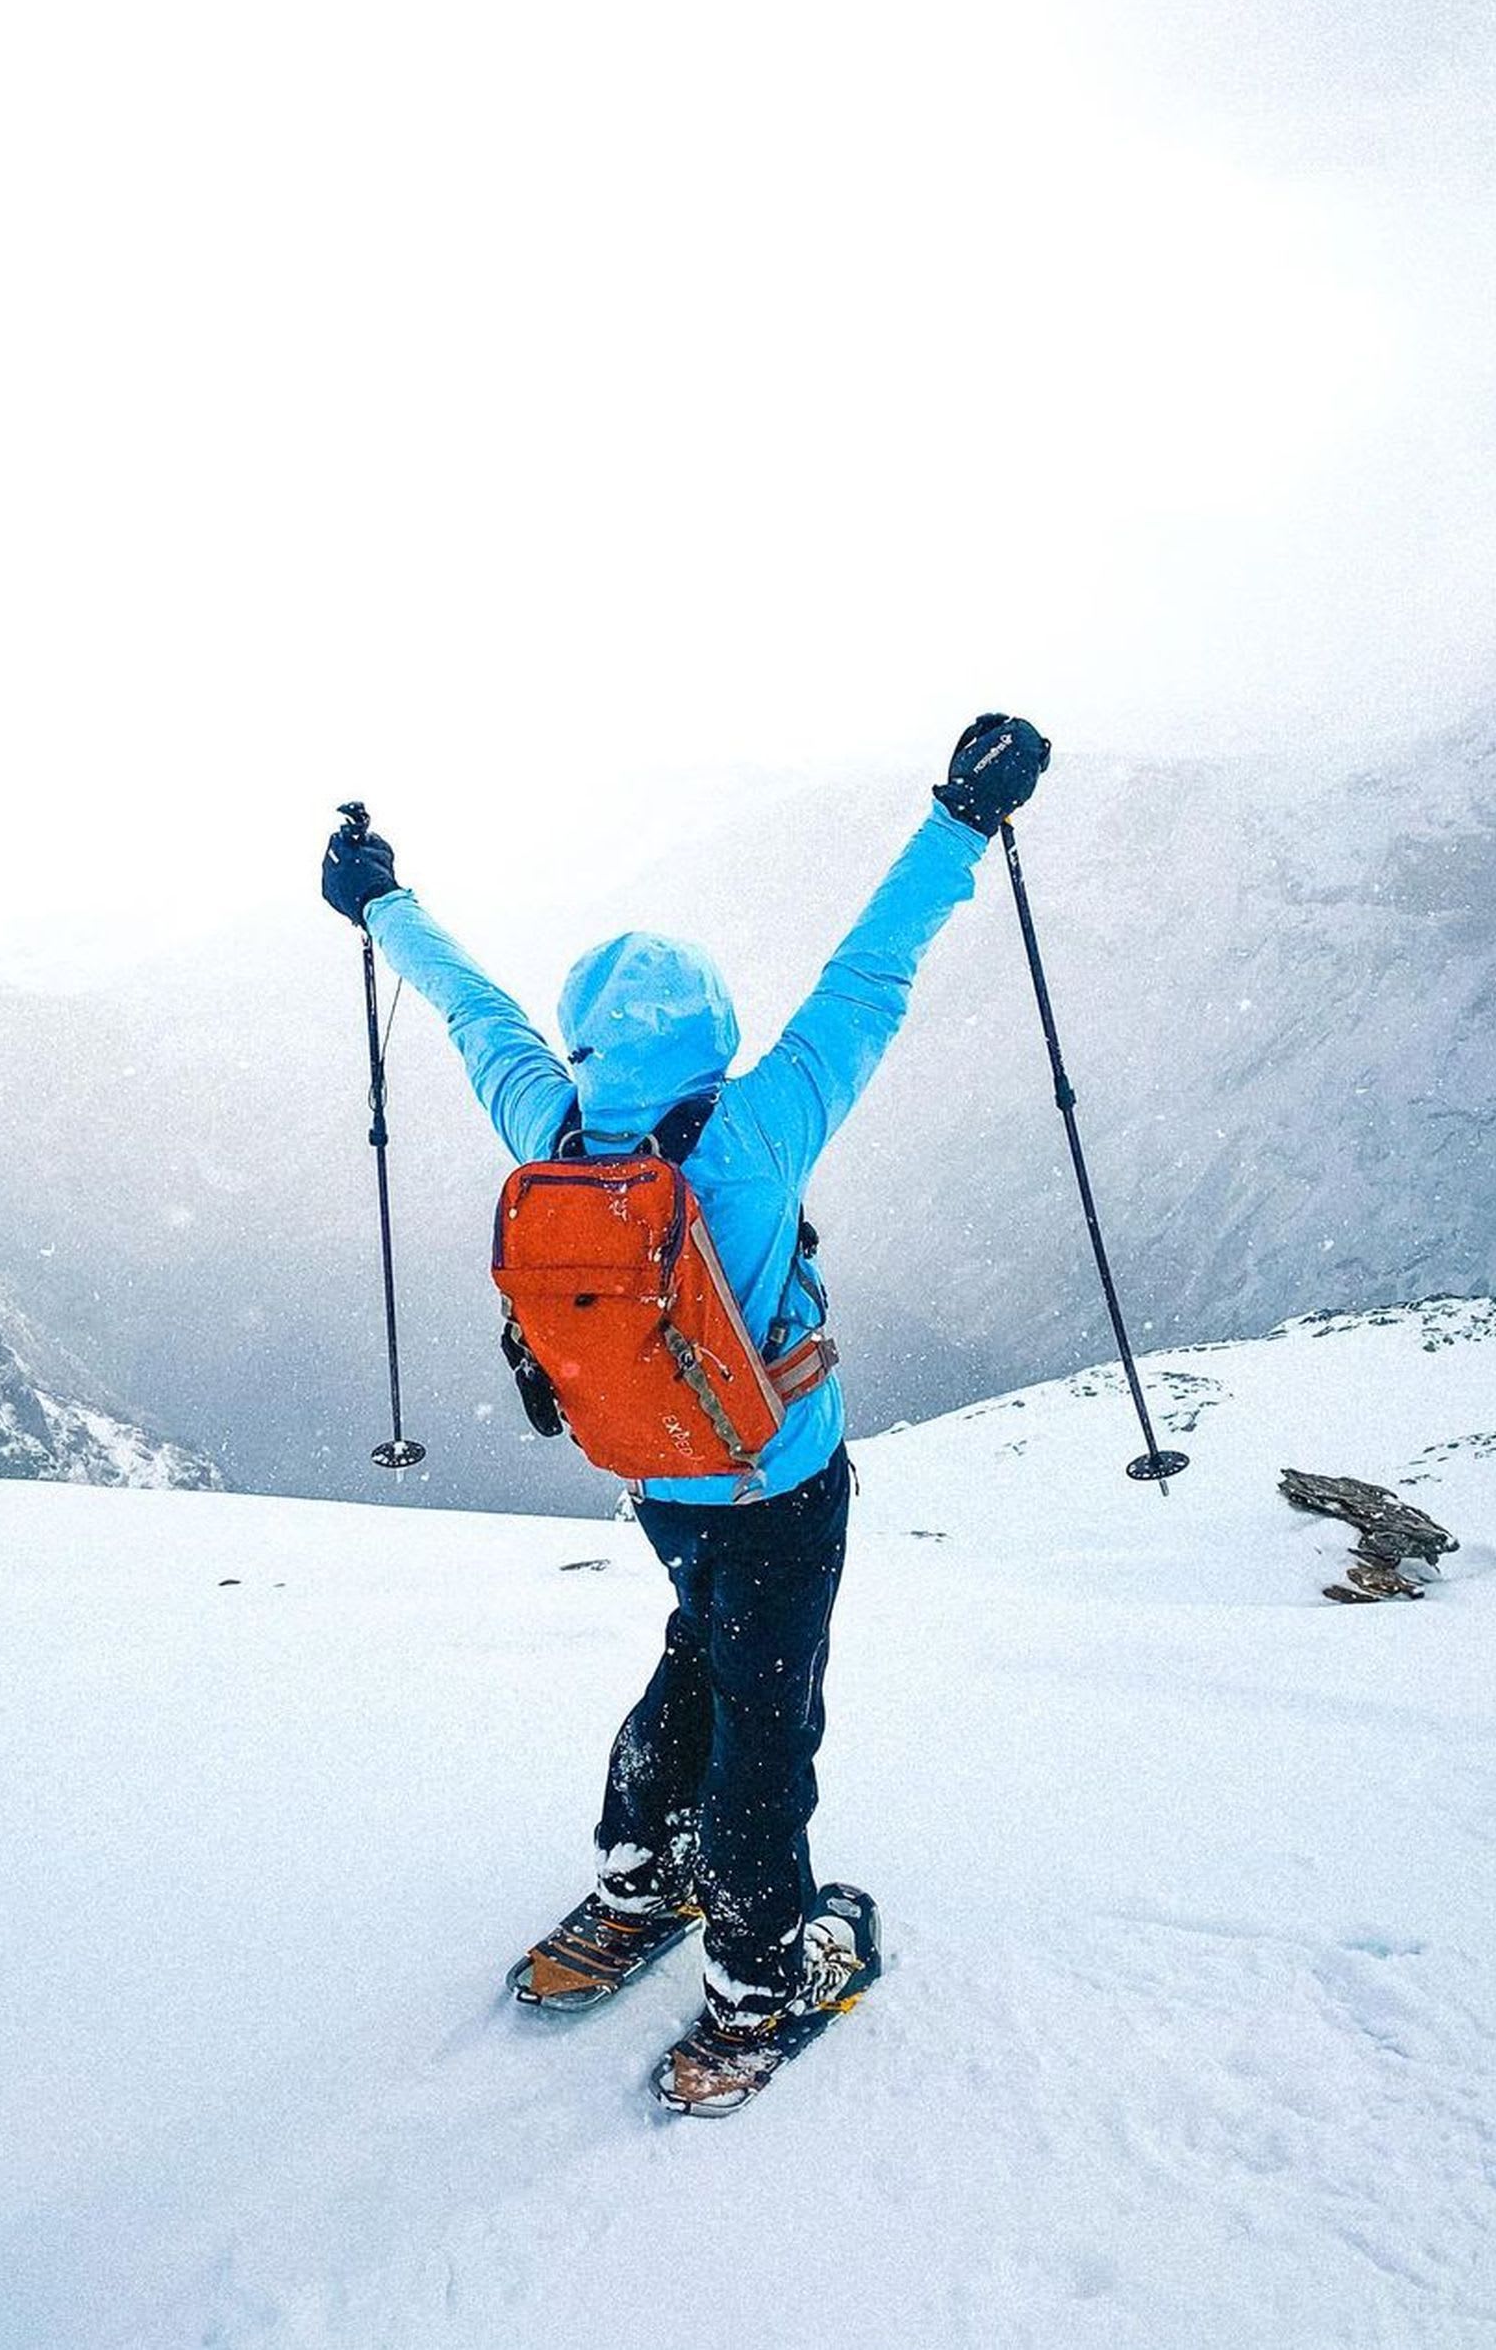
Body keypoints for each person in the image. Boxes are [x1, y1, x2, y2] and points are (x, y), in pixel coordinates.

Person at [320, 714, 1049, 2112]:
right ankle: (758, 1984)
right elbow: (870, 972)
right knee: (766, 1725)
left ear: (595, 1043)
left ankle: (636, 1879)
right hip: (779, 1482)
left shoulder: (553, 1134)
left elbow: (479, 1014)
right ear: (711, 1032)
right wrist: (964, 817)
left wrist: (381, 900)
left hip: (655, 1478)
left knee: (699, 1665)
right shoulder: (760, 1129)